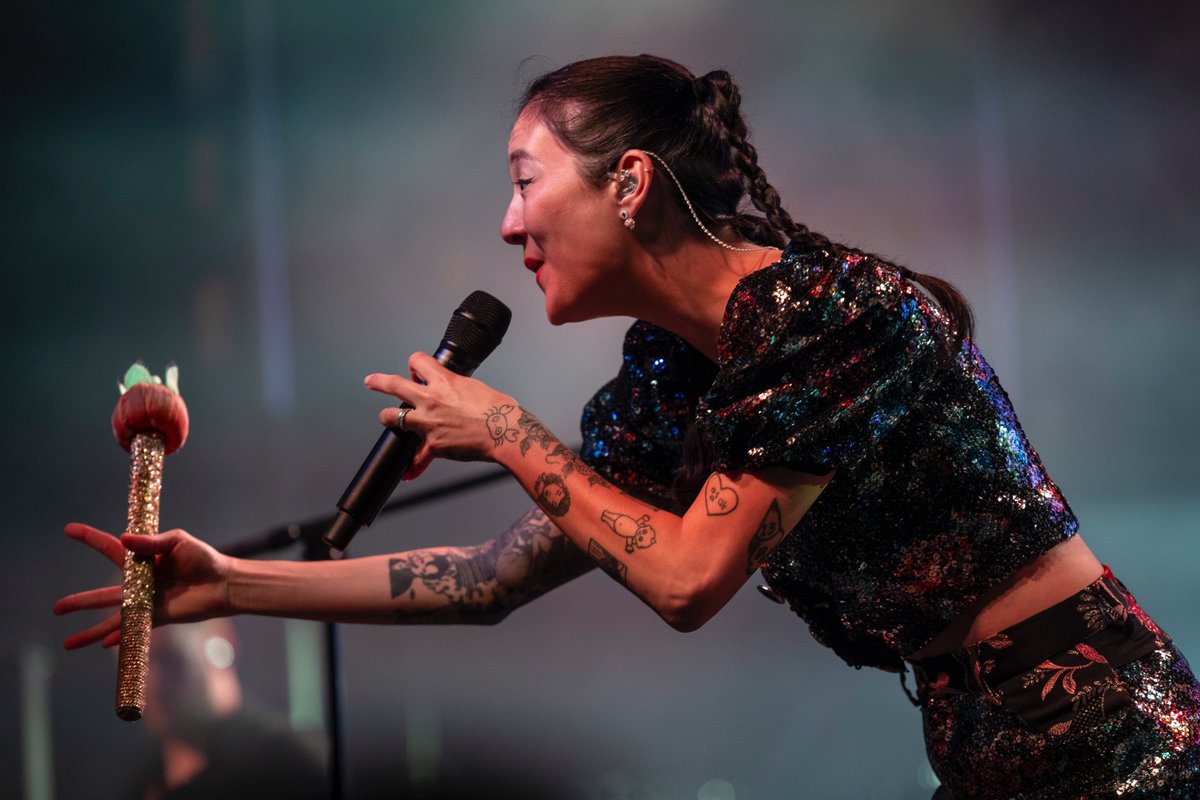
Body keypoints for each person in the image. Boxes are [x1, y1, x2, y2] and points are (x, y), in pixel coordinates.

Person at [57, 55, 1199, 798]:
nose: (506, 224)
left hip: (1106, 739)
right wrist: (225, 580)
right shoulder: (670, 370)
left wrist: (508, 428)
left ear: (632, 180)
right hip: (981, 750)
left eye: (524, 179)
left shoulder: (829, 316)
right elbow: (490, 576)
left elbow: (690, 578)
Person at [131, 619, 326, 799]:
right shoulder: (144, 781)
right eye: (135, 665)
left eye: (169, 658)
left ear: (222, 643)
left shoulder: (289, 765)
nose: (153, 683)